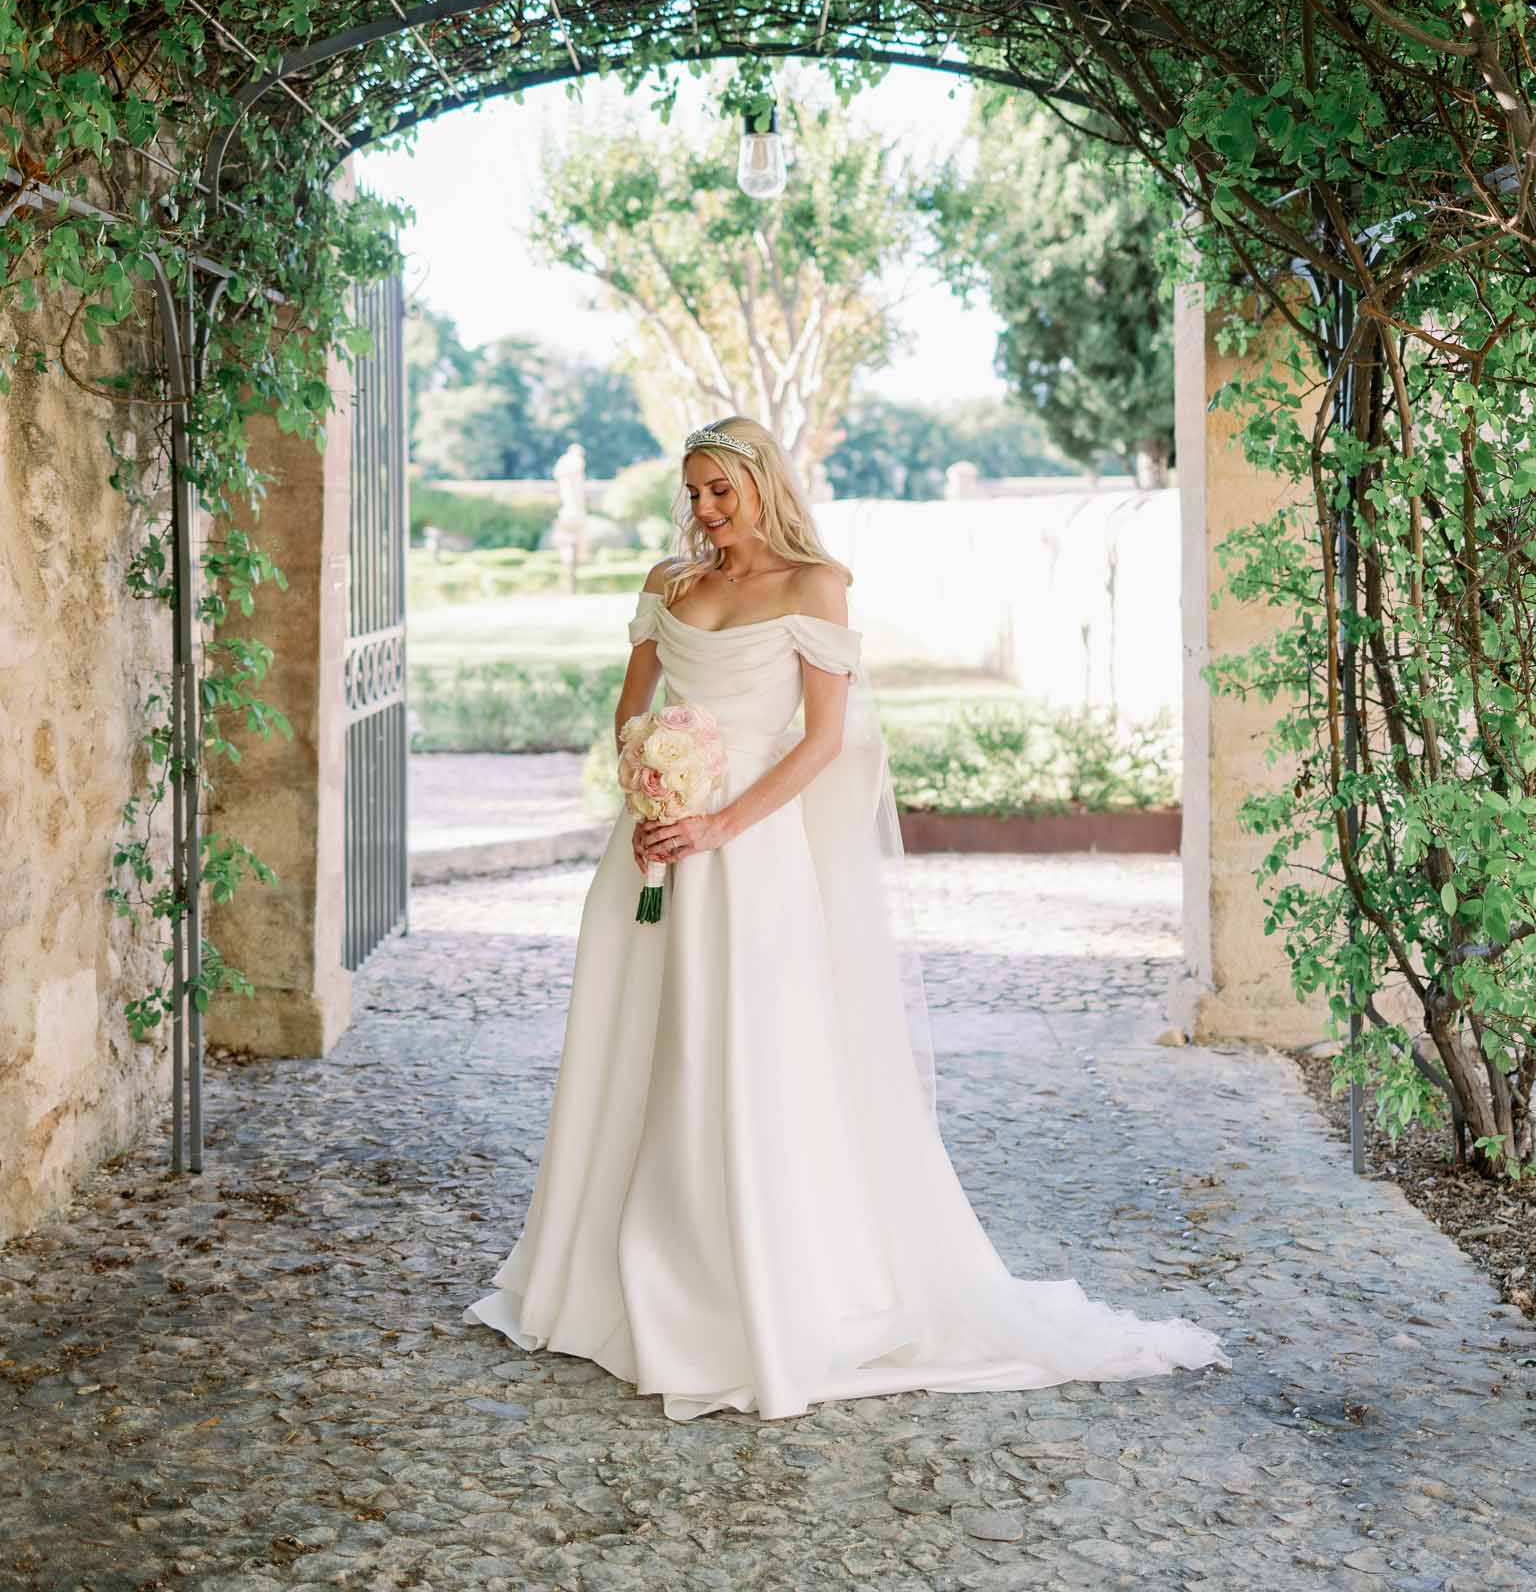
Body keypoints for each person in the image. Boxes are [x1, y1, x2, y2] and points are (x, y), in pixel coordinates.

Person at [463, 414, 1230, 1420]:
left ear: (762, 483)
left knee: (738, 1048)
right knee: (634, 1037)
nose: (701, 510)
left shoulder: (815, 585)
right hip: (652, 841)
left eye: (719, 492)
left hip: (746, 849)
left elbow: (823, 740)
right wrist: (652, 792)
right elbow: (630, 713)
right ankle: (609, 1266)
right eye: (690, 492)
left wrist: (718, 822)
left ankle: (754, 1280)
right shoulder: (668, 583)